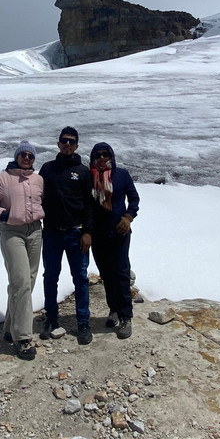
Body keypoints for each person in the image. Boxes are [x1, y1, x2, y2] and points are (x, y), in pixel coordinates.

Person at [0, 141, 44, 360]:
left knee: (29, 279)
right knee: (21, 282)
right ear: (17, 156)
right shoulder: (2, 179)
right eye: (23, 154)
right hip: (11, 233)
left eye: (31, 155)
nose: (27, 158)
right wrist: (5, 215)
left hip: (35, 231)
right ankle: (23, 338)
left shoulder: (38, 180)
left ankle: (10, 327)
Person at [39, 127, 94, 345]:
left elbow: (90, 205)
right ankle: (51, 319)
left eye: (72, 141)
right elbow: (36, 196)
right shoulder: (47, 169)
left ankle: (83, 322)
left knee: (80, 278)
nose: (68, 144)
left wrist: (88, 232)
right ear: (58, 143)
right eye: (64, 141)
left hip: (76, 233)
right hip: (51, 233)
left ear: (77, 145)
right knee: (50, 276)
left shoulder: (82, 172)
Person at [88, 141, 140, 339]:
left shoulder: (122, 175)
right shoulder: (89, 177)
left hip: (119, 233)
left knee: (121, 273)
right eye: (98, 155)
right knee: (106, 275)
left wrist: (128, 217)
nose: (102, 158)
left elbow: (134, 199)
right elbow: (87, 207)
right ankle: (114, 310)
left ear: (111, 156)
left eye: (105, 154)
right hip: (98, 235)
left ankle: (126, 316)